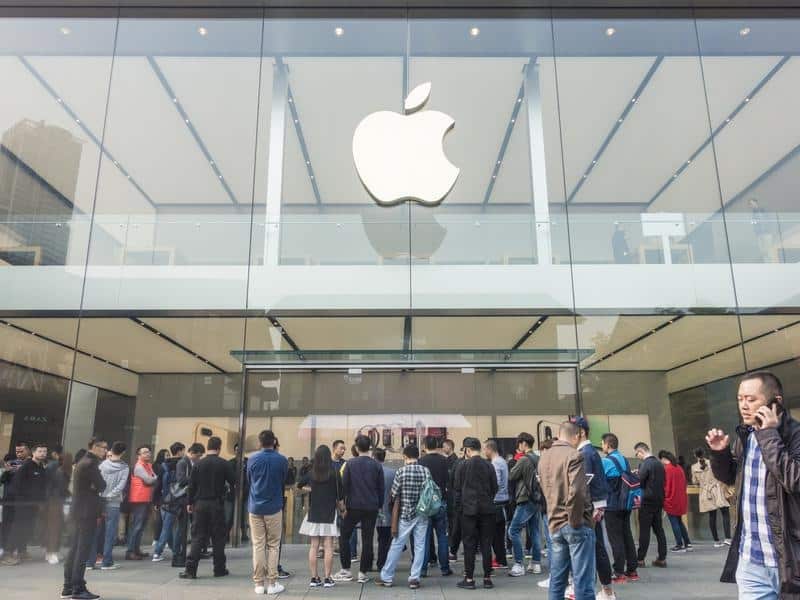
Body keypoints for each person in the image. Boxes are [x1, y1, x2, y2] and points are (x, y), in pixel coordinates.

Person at [707, 371, 800, 599]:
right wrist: (719, 454)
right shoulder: (746, 436)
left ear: (775, 401)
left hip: (791, 561)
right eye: (740, 399)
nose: (744, 406)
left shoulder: (794, 435)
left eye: (752, 399)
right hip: (751, 562)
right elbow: (732, 478)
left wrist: (768, 434)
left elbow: (794, 480)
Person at [539, 422, 596, 600]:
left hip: (554, 522)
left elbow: (545, 489)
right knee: (583, 581)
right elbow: (578, 491)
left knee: (557, 579)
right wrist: (575, 520)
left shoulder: (544, 457)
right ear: (577, 435)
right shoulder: (574, 455)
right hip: (574, 523)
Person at [375, 445, 430, 589]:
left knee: (397, 544)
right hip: (422, 513)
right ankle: (414, 578)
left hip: (406, 514)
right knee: (419, 546)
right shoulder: (425, 471)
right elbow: (429, 491)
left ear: (405, 456)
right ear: (417, 456)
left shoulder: (401, 472)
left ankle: (387, 576)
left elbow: (393, 494)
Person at [179, 436, 234, 580]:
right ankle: (219, 569)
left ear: (207, 446)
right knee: (218, 538)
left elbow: (191, 486)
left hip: (200, 504)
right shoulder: (224, 464)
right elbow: (233, 481)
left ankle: (190, 570)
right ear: (219, 448)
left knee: (198, 536)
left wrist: (190, 503)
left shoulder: (198, 464)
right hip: (217, 504)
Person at [573, 417, 616, 600]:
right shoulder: (590, 452)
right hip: (593, 507)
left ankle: (605, 590)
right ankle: (605, 590)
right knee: (595, 548)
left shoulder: (586, 453)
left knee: (594, 549)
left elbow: (590, 482)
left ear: (581, 432)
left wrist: (597, 507)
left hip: (589, 508)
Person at [333, 434, 384, 584]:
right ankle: (363, 573)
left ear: (356, 448)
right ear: (369, 447)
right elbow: (381, 488)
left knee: (344, 536)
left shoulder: (350, 464)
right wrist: (379, 505)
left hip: (352, 506)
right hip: (371, 506)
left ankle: (346, 569)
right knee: (367, 540)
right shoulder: (376, 465)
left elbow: (344, 486)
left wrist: (343, 506)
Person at [61, 437, 107, 600]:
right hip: (86, 512)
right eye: (103, 447)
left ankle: (68, 587)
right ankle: (77, 588)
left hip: (79, 510)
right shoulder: (90, 464)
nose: (105, 451)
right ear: (94, 447)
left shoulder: (83, 462)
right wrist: (96, 486)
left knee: (75, 549)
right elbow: (102, 485)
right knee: (82, 550)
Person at [248, 430, 288, 596]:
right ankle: (272, 583)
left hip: (255, 507)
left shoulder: (252, 459)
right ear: (274, 441)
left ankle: (258, 583)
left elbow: (249, 480)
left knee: (258, 545)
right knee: (273, 545)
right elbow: (283, 480)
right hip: (274, 507)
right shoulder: (282, 460)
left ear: (260, 442)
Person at [454, 437, 498, 590]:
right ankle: (487, 578)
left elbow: (457, 490)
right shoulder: (488, 465)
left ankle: (469, 578)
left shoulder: (462, 466)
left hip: (468, 511)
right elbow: (495, 487)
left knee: (469, 544)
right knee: (486, 543)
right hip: (487, 509)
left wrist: (459, 508)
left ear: (467, 450)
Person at [298, 444, 342, 588]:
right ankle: (328, 578)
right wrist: (342, 508)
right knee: (328, 546)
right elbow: (340, 495)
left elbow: (299, 485)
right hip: (329, 513)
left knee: (314, 546)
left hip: (314, 512)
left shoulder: (311, 472)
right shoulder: (334, 472)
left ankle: (314, 578)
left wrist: (310, 489)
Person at [601, 433, 638, 582]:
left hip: (612, 505)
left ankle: (618, 572)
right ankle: (632, 570)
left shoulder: (606, 461)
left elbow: (599, 481)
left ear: (608, 445)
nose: (602, 446)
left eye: (602, 444)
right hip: (626, 503)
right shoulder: (624, 459)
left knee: (615, 538)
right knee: (627, 535)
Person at [2, 442, 48, 565]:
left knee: (27, 528)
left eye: (44, 451)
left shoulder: (41, 467)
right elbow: (17, 484)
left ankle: (22, 551)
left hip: (33, 504)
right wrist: (21, 500)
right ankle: (8, 554)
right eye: (40, 451)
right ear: (33, 453)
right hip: (22, 503)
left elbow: (41, 487)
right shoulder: (27, 466)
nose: (43, 453)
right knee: (18, 528)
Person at [508, 431, 543, 576]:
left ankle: (519, 564)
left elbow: (512, 475)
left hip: (525, 498)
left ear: (523, 444)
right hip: (537, 498)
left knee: (513, 530)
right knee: (534, 531)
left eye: (519, 444)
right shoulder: (539, 458)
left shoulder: (523, 460)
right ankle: (536, 564)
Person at [418, 435, 451, 577]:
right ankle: (445, 568)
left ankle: (423, 569)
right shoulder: (444, 460)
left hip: (426, 504)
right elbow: (448, 480)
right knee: (442, 536)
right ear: (437, 445)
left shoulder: (421, 461)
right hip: (440, 502)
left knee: (424, 537)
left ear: (425, 445)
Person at [632, 441, 667, 569]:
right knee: (659, 530)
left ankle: (640, 559)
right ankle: (662, 558)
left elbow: (639, 481)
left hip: (646, 500)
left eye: (637, 454)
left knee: (644, 530)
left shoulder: (646, 464)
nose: (638, 456)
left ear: (641, 451)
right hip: (659, 500)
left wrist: (636, 473)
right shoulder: (659, 464)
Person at [96, 441, 129, 570]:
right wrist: (111, 495)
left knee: (96, 531)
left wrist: (102, 494)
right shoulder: (124, 467)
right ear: (123, 452)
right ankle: (107, 561)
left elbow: (98, 481)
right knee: (110, 532)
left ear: (111, 450)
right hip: (114, 503)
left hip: (100, 500)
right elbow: (121, 485)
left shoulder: (103, 464)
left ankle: (90, 561)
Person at [152, 442, 185, 562]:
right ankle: (157, 551)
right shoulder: (183, 463)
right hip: (178, 498)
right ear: (180, 451)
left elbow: (158, 484)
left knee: (167, 526)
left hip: (164, 499)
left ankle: (174, 550)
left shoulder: (164, 465)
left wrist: (156, 500)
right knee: (169, 527)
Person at [691, 447, 731, 548]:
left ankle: (716, 541)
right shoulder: (712, 463)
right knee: (725, 513)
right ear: (704, 453)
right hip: (717, 489)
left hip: (706, 492)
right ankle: (727, 538)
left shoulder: (694, 467)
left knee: (712, 516)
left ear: (695, 456)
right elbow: (720, 474)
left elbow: (695, 482)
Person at [172, 442, 203, 567]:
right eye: (199, 455)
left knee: (187, 528)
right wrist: (195, 477)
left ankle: (182, 553)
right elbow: (181, 480)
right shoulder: (183, 462)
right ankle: (178, 555)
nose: (199, 458)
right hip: (182, 499)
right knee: (181, 528)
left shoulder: (192, 463)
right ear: (193, 453)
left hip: (189, 498)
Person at [0, 442, 31, 558]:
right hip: (9, 500)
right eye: (17, 451)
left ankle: (19, 550)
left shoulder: (29, 464)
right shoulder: (12, 464)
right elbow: (2, 481)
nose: (18, 454)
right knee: (7, 525)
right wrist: (7, 471)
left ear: (27, 451)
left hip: (22, 501)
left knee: (20, 525)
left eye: (21, 451)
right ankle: (6, 550)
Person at [125, 446, 156, 560]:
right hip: (139, 499)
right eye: (144, 453)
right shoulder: (139, 467)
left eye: (148, 452)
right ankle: (130, 551)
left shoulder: (148, 465)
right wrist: (152, 478)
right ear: (139, 455)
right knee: (136, 526)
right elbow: (150, 480)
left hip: (146, 499)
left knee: (141, 526)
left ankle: (136, 549)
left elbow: (153, 478)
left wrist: (152, 478)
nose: (148, 454)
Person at [658, 450, 691, 552]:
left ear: (663, 459)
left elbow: (666, 487)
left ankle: (679, 545)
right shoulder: (678, 468)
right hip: (681, 499)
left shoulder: (667, 469)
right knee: (679, 522)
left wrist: (663, 501)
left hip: (671, 500)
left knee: (674, 523)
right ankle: (688, 543)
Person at [484, 439, 509, 570]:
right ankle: (501, 558)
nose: (484, 452)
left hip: (496, 500)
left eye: (485, 449)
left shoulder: (495, 463)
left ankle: (500, 559)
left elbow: (496, 483)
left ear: (490, 449)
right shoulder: (502, 461)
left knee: (495, 533)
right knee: (499, 532)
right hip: (503, 499)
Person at [45, 445, 72, 565]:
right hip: (55, 502)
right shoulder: (60, 472)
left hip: (58, 502)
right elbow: (60, 489)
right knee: (54, 528)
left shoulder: (62, 471)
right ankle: (51, 552)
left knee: (58, 528)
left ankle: (53, 551)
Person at [373, 447, 395, 571]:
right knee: (385, 538)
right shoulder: (392, 472)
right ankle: (382, 562)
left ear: (373, 457)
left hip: (372, 510)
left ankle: (376, 562)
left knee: (372, 537)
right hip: (388, 510)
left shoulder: (370, 472)